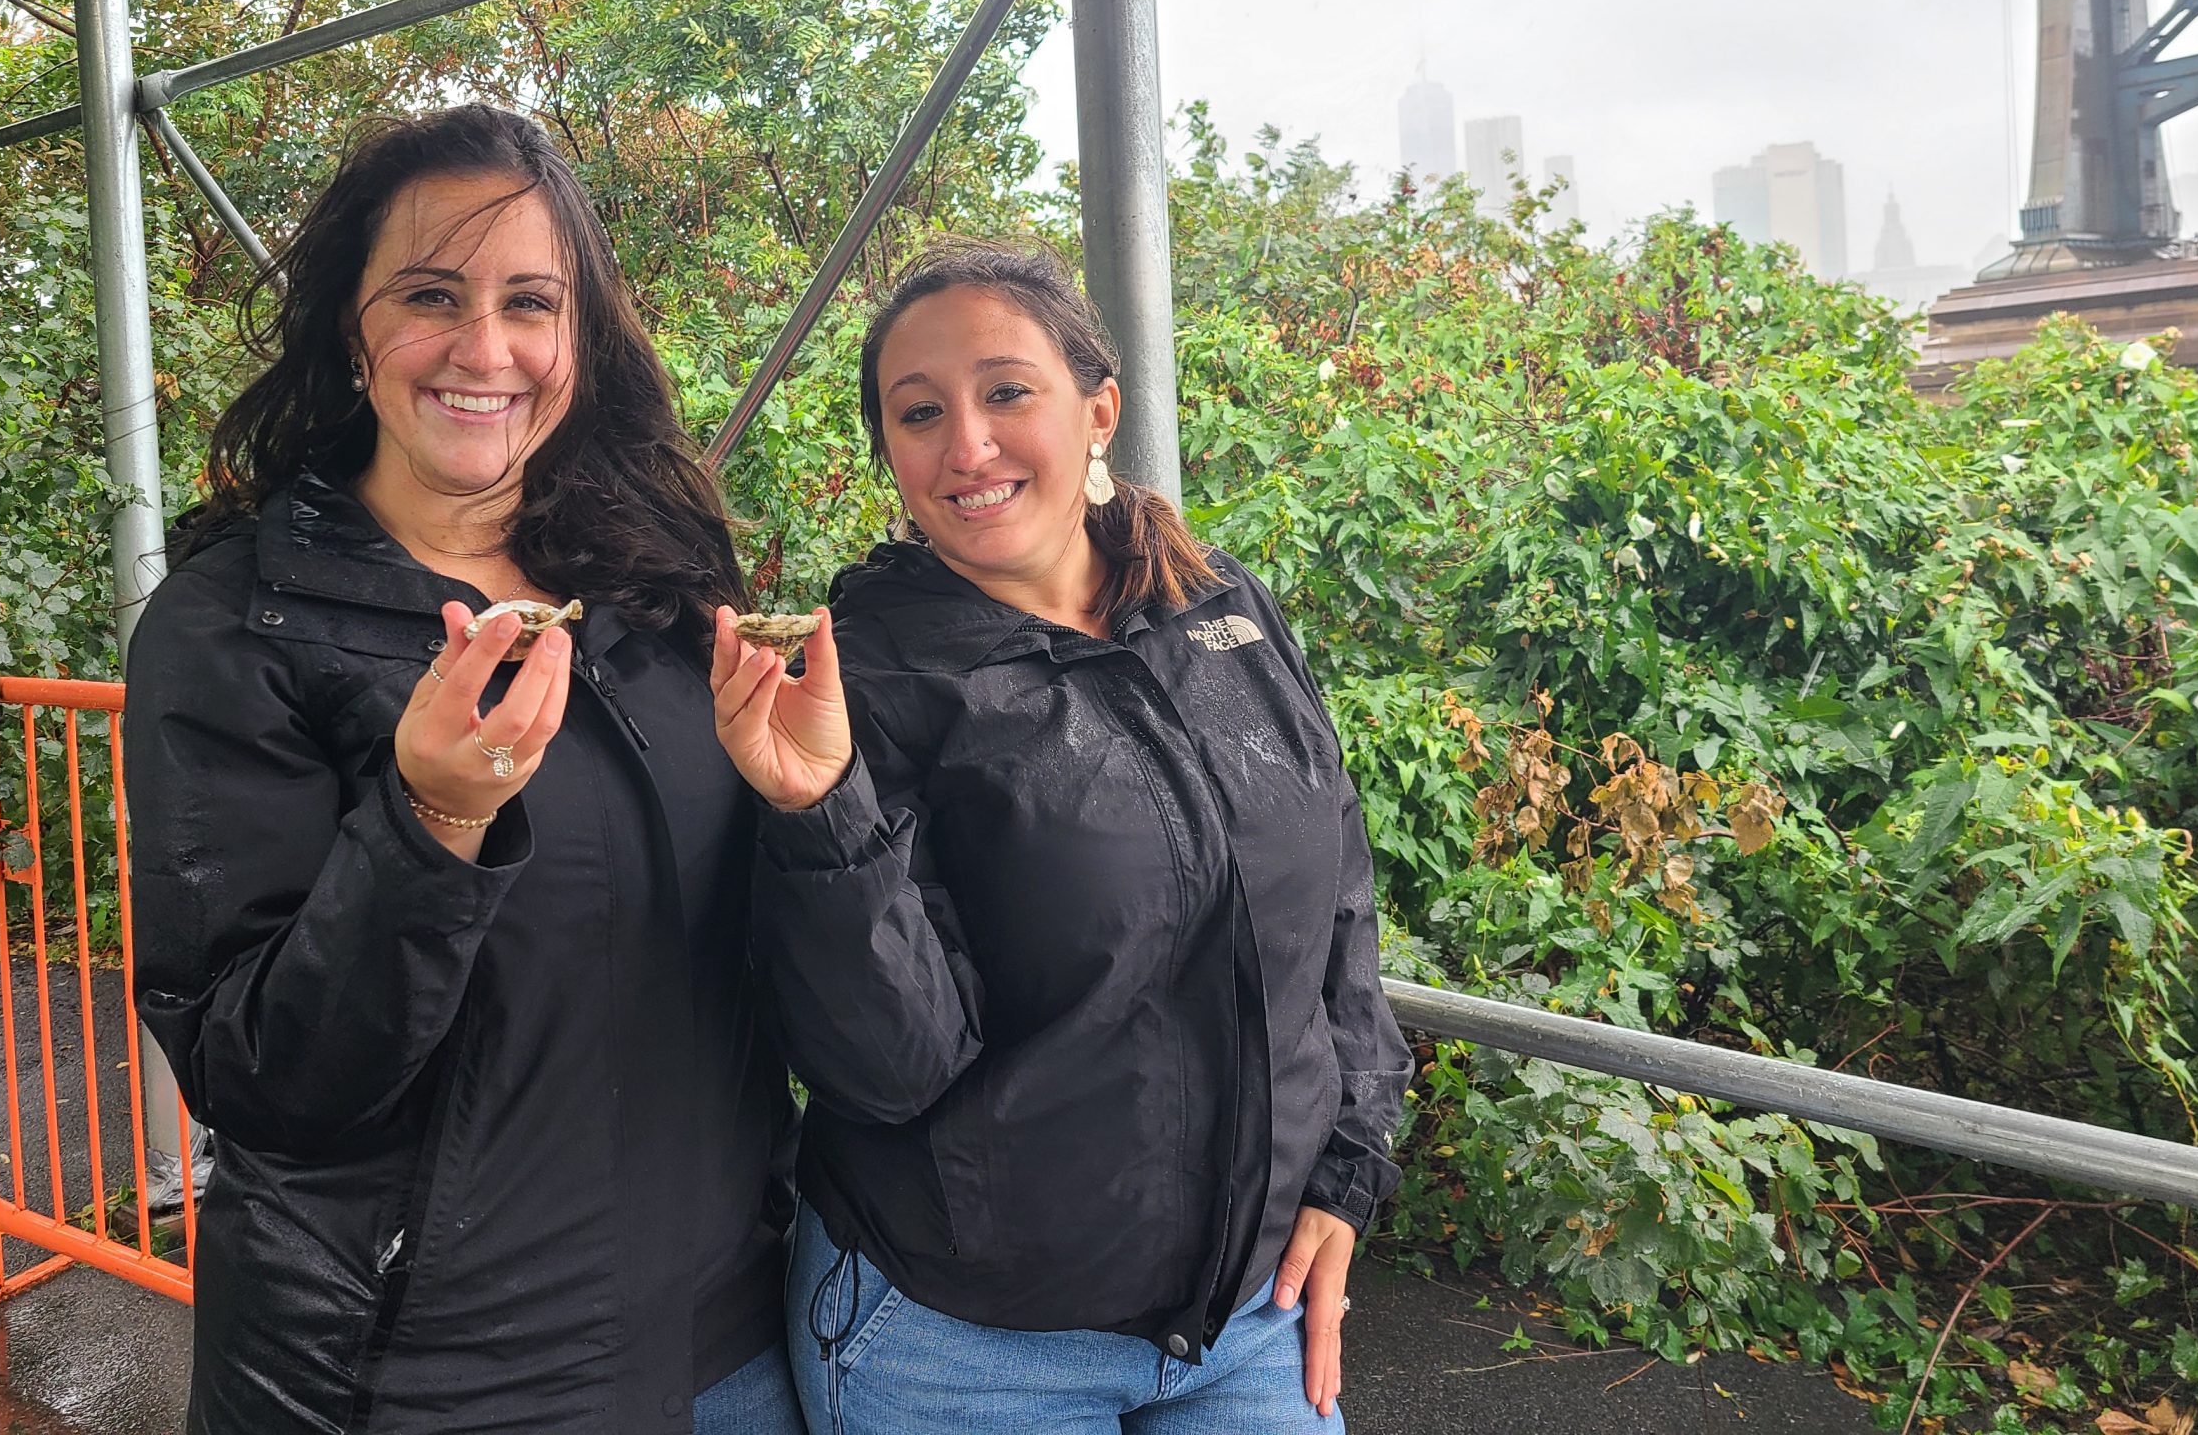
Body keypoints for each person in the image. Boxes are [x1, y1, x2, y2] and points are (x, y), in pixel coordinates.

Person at [125, 105, 806, 1435]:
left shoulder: (660, 586)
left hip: (730, 1344)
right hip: (424, 1384)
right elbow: (264, 1081)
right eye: (432, 296)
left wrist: (819, 809)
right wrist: (434, 823)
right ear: (352, 328)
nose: (485, 350)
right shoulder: (236, 624)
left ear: (580, 338)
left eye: (530, 303)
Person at [711, 237, 1412, 1433]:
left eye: (1006, 392)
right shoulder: (861, 672)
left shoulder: (1220, 604)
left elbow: (1334, 903)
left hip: (1247, 1316)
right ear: (889, 451)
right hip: (956, 1339)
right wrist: (817, 809)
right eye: (919, 412)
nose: (967, 445)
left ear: (1099, 408)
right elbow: (891, 1069)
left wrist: (1350, 1166)